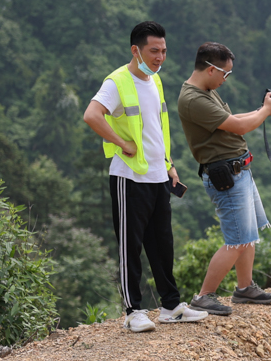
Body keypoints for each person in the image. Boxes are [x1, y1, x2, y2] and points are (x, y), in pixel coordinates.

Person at [82, 21, 208, 332]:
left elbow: (157, 127)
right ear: (135, 50)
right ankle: (132, 311)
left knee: (163, 244)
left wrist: (169, 163)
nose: (160, 57)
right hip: (129, 177)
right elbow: (92, 115)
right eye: (154, 51)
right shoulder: (117, 82)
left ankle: (170, 306)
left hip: (157, 175)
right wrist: (121, 142)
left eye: (164, 51)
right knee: (131, 245)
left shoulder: (156, 81)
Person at [177, 42, 271, 315]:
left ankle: (244, 288)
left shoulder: (207, 91)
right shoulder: (193, 99)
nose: (226, 79)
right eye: (225, 73)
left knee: (248, 235)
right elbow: (240, 126)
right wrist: (266, 111)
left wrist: (263, 109)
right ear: (211, 69)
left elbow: (231, 119)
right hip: (225, 175)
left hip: (239, 170)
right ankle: (203, 296)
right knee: (236, 240)